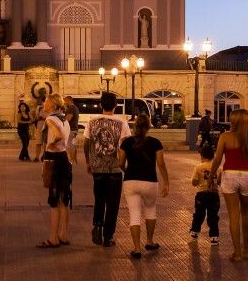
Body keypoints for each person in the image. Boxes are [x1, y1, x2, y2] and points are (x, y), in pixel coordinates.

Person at [211, 108, 248, 261]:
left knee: (234, 214)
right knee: (246, 213)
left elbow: (218, 159)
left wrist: (211, 176)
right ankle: (246, 244)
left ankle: (237, 253)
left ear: (234, 121)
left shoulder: (225, 136)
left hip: (230, 175)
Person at [118, 114, 170, 260]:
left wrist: (126, 171)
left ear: (135, 126)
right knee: (150, 211)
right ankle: (150, 241)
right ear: (148, 127)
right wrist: (166, 182)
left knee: (134, 214)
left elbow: (121, 162)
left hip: (130, 181)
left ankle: (136, 248)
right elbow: (161, 164)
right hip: (150, 181)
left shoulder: (126, 142)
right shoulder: (155, 143)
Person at [83, 91, 131, 248]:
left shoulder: (92, 122)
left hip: (97, 168)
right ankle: (108, 236)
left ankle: (97, 225)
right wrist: (123, 164)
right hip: (114, 170)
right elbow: (125, 145)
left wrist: (89, 162)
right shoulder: (122, 123)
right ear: (116, 105)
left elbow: (86, 143)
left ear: (101, 105)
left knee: (99, 199)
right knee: (113, 204)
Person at [37, 94, 72, 248]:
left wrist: (51, 145)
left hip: (54, 159)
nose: (44, 103)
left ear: (52, 104)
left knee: (54, 200)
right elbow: (67, 140)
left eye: (46, 101)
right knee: (64, 199)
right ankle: (63, 235)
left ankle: (53, 238)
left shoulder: (50, 119)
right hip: (64, 159)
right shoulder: (64, 120)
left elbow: (57, 136)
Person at [190, 143, 221, 246]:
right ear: (213, 155)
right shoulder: (218, 168)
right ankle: (214, 237)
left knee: (199, 214)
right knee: (213, 216)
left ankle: (194, 233)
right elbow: (220, 182)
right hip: (214, 195)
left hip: (201, 194)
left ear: (202, 156)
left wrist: (199, 181)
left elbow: (194, 182)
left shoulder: (198, 167)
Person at [63, 95, 80, 165]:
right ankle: (74, 160)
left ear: (69, 100)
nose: (64, 103)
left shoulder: (71, 108)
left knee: (70, 145)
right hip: (74, 128)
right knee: (73, 144)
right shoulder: (75, 108)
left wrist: (62, 121)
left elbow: (68, 119)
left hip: (71, 129)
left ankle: (72, 160)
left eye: (65, 101)